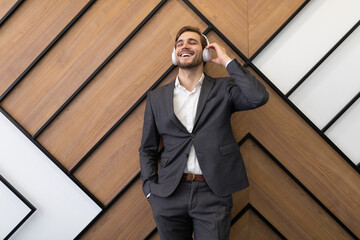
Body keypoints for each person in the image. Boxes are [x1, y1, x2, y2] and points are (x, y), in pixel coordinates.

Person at [139, 26, 269, 240]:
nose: (184, 46)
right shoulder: (156, 97)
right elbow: (147, 149)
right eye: (180, 43)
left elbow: (258, 97)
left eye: (192, 42)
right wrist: (150, 190)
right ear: (174, 54)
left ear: (205, 52)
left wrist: (227, 60)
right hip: (168, 194)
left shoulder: (224, 88)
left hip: (213, 193)